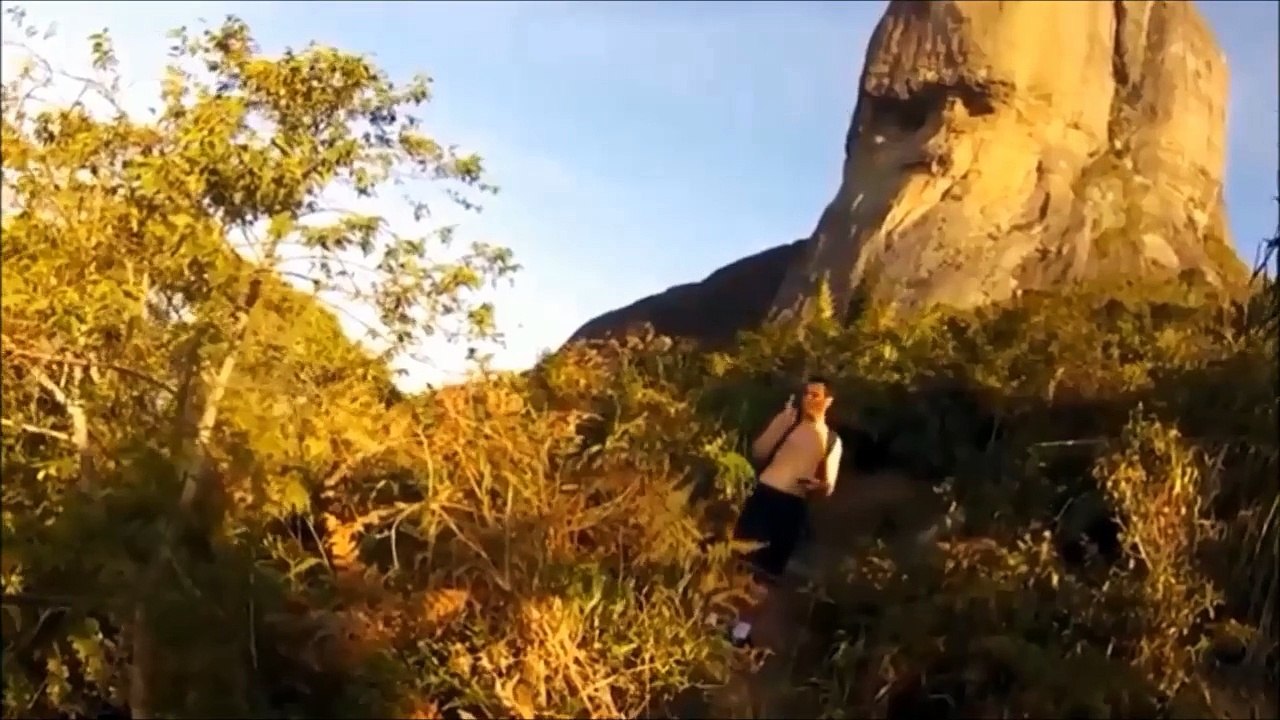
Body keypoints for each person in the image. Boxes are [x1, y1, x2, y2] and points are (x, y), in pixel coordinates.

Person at [729, 375, 843, 647]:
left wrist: (818, 484)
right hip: (765, 496)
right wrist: (780, 422)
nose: (810, 400)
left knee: (767, 573)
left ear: (828, 401)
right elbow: (759, 451)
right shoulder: (790, 421)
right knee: (740, 561)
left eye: (816, 395)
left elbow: (828, 487)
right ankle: (719, 616)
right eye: (807, 394)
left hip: (792, 507)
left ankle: (741, 630)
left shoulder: (831, 441)